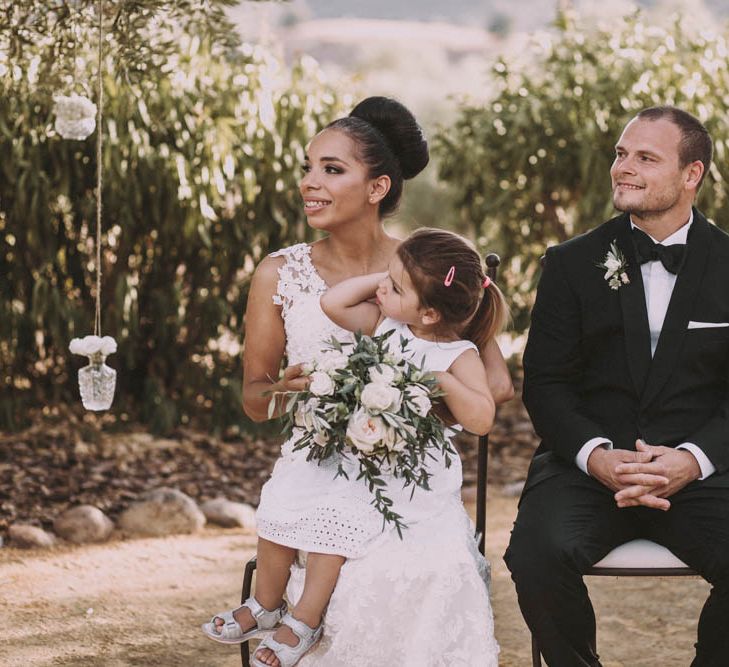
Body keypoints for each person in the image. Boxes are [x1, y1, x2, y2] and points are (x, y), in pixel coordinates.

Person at [202, 96, 513, 667]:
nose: (309, 183)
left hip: (409, 470)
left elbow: (493, 385)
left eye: (331, 169)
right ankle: (287, 617)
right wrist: (285, 391)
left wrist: (415, 394)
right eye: (308, 167)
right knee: (324, 535)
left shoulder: (428, 269)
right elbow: (253, 399)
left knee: (411, 568)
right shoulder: (279, 272)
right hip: (317, 461)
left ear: (377, 188)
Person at [505, 105, 729, 666]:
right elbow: (548, 383)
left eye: (645, 158)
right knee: (535, 553)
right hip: (589, 466)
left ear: (691, 174)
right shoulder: (571, 262)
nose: (623, 168)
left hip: (703, 470)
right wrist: (596, 455)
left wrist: (693, 459)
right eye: (620, 154)